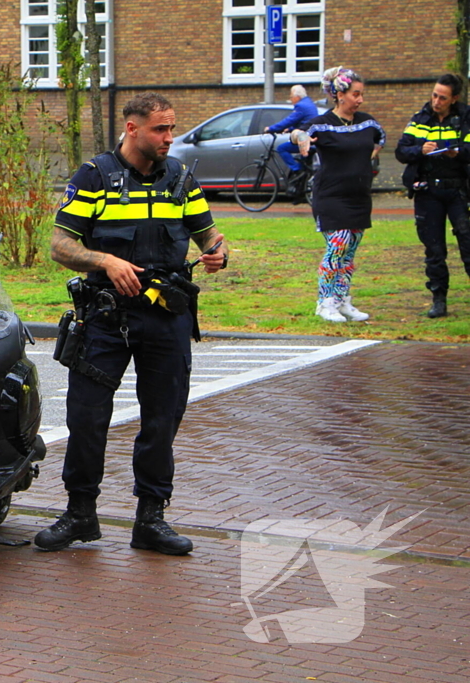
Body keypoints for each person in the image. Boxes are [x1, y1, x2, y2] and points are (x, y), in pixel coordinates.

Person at [36, 92, 228, 556]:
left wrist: (218, 253)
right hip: (105, 318)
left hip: (167, 318)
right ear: (132, 129)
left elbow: (209, 234)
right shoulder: (95, 176)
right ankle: (80, 513)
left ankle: (151, 519)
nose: (169, 137)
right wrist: (106, 260)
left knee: (162, 420)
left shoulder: (180, 177)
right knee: (86, 418)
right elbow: (61, 245)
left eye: (172, 128)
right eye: (160, 129)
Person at [292, 67, 384, 323]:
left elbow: (379, 142)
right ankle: (325, 302)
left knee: (349, 253)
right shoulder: (323, 124)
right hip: (331, 198)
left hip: (359, 198)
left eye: (361, 94)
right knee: (337, 246)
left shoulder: (368, 122)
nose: (360, 99)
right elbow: (297, 133)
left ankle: (342, 300)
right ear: (340, 94)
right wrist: (302, 138)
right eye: (356, 94)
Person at [394, 73, 470, 318]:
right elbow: (401, 151)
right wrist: (420, 149)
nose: (436, 101)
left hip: (458, 189)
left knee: (468, 243)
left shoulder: (466, 117)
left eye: (443, 98)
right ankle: (439, 299)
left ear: (454, 98)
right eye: (435, 95)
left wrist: (457, 153)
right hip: (428, 191)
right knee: (434, 248)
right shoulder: (420, 118)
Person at [265, 84, 319, 192]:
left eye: (291, 97)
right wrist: (290, 129)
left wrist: (271, 128)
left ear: (297, 97)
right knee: (303, 162)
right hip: (311, 138)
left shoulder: (301, 106)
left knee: (282, 148)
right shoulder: (309, 103)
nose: (290, 99)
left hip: (306, 140)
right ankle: (300, 184)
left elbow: (288, 120)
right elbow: (303, 121)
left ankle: (296, 169)